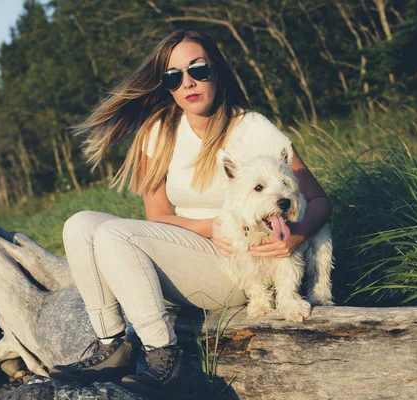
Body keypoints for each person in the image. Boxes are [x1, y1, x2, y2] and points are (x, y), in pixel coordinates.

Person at [50, 29, 332, 399]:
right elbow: (157, 216)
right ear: (166, 85)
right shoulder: (159, 131)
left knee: (113, 234)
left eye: (198, 70)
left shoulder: (252, 128)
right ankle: (112, 346)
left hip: (239, 263)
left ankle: (164, 359)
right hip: (188, 253)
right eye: (173, 77)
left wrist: (296, 234)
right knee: (80, 225)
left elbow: (320, 200)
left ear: (216, 70)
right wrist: (208, 226)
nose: (188, 83)